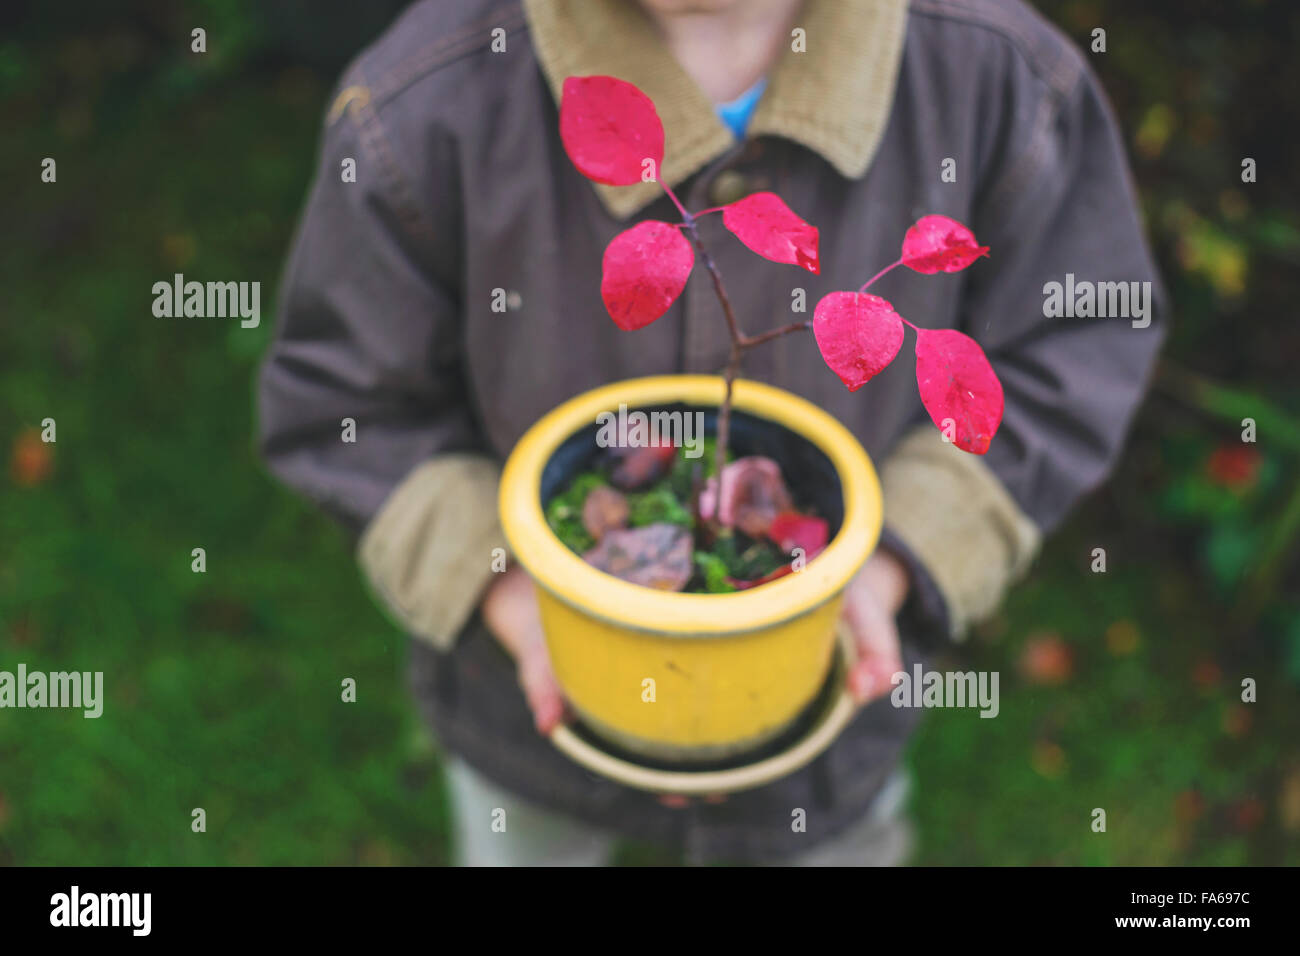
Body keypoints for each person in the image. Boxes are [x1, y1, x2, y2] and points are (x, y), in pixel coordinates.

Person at [258, 0, 1165, 865]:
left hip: (832, 710)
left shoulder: (997, 80)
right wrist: (501, 588)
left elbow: (1073, 350)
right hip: (524, 712)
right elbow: (350, 411)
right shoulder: (425, 103)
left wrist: (897, 557)